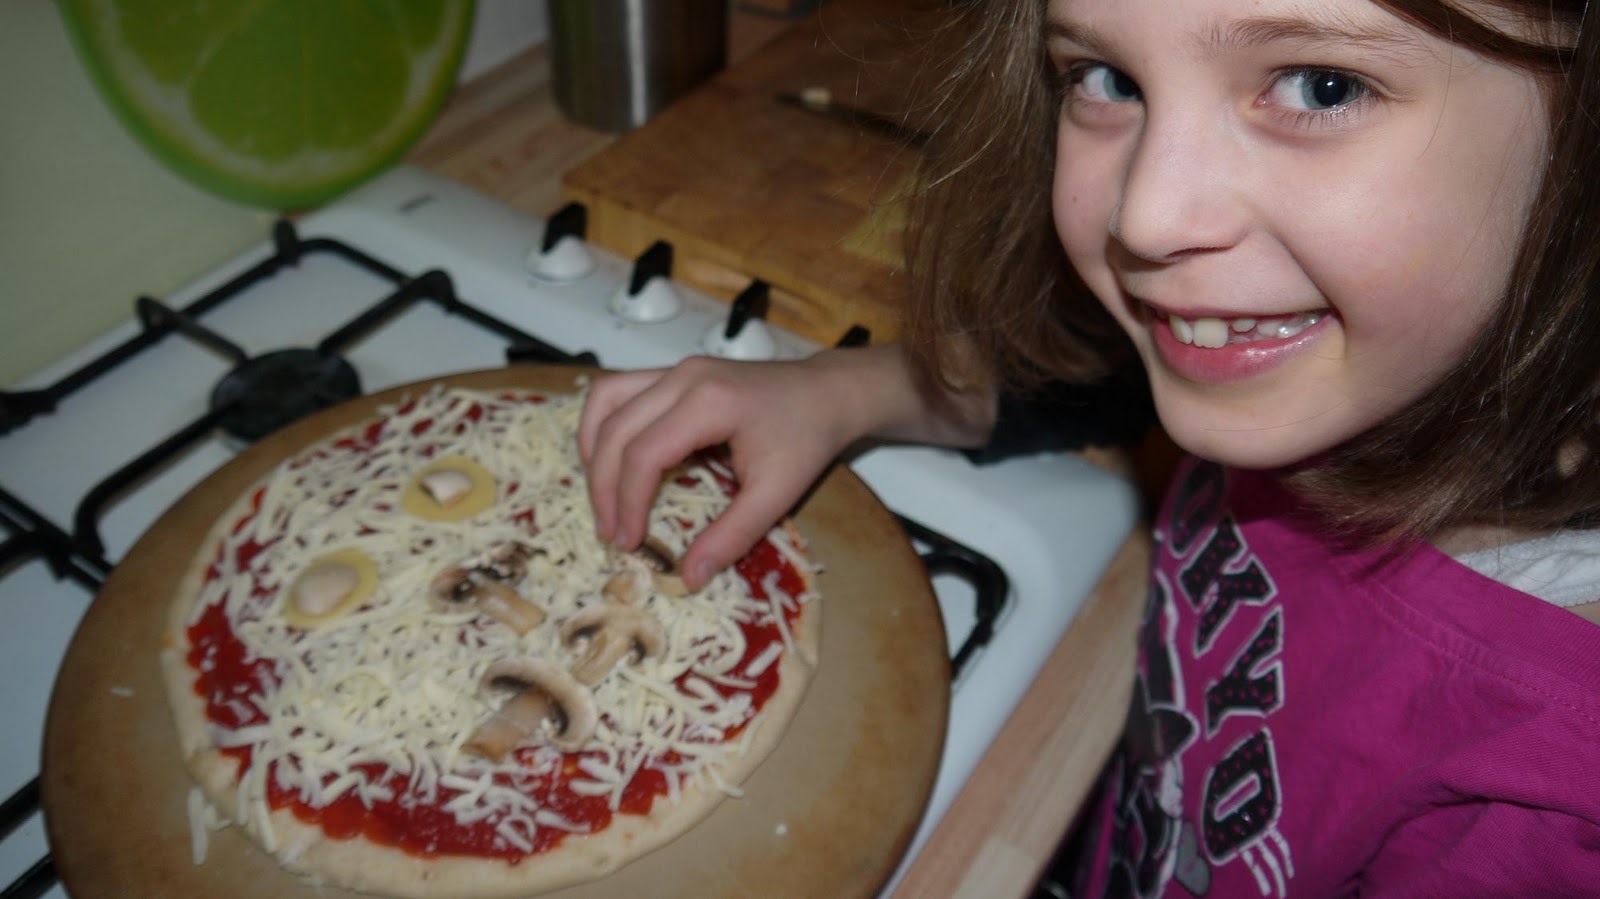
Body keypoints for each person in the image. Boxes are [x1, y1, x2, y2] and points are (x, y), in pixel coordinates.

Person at [578, 0, 1600, 893]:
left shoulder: (1548, 815)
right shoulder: (1334, 368)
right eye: (1106, 78)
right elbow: (1101, 381)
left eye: (1320, 86)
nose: (1145, 217)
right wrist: (839, 390)